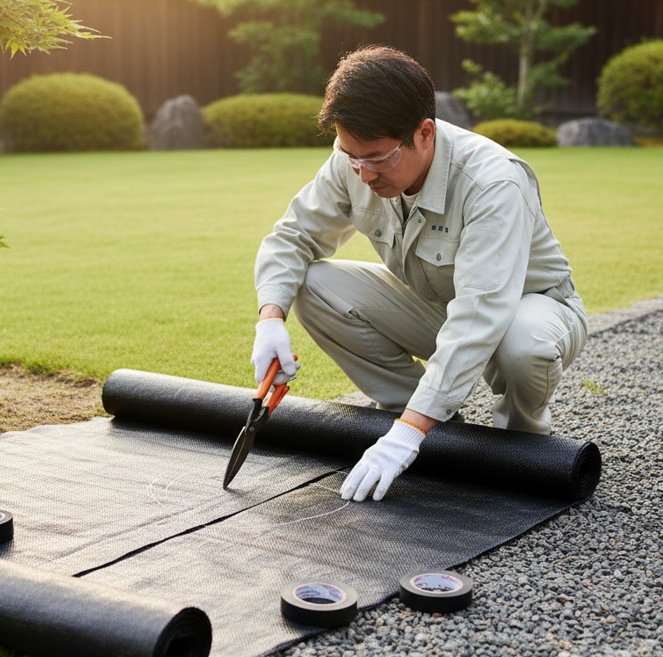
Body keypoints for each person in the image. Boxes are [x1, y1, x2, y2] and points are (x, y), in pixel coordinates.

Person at [250, 45, 588, 503]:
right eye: (351, 156)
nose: (363, 174)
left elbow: (481, 312)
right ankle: (427, 419)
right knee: (312, 285)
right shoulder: (354, 159)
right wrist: (270, 319)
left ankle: (522, 443)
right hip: (435, 307)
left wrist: (409, 434)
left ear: (424, 133)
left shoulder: (493, 183)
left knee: (521, 343)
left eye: (376, 157)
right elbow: (293, 237)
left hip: (531, 311)